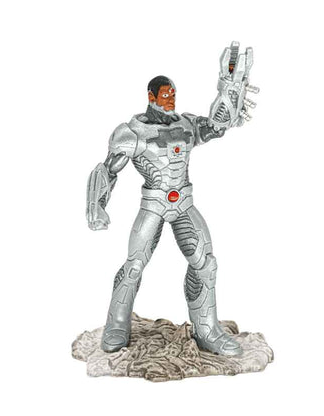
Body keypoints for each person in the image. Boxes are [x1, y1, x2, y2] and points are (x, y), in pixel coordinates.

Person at [86, 42, 258, 356]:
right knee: (134, 265)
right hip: (153, 204)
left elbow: (216, 126)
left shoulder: (186, 124)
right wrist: (96, 206)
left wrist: (230, 88)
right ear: (151, 97)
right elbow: (108, 169)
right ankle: (117, 323)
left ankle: (206, 329)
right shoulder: (131, 133)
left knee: (206, 263)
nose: (171, 99)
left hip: (183, 204)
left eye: (174, 94)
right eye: (165, 95)